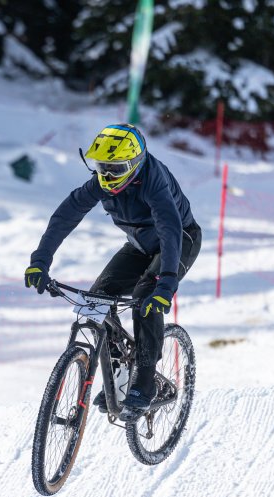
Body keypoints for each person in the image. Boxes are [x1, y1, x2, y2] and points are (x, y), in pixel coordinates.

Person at [24, 123, 201, 421]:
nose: (105, 176)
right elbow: (66, 215)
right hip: (140, 244)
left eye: (114, 168)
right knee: (98, 299)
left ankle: (143, 383)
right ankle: (119, 375)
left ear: (134, 164)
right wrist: (40, 260)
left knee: (146, 297)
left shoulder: (153, 182)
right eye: (101, 166)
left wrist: (166, 285)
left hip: (178, 242)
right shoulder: (102, 181)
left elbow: (170, 230)